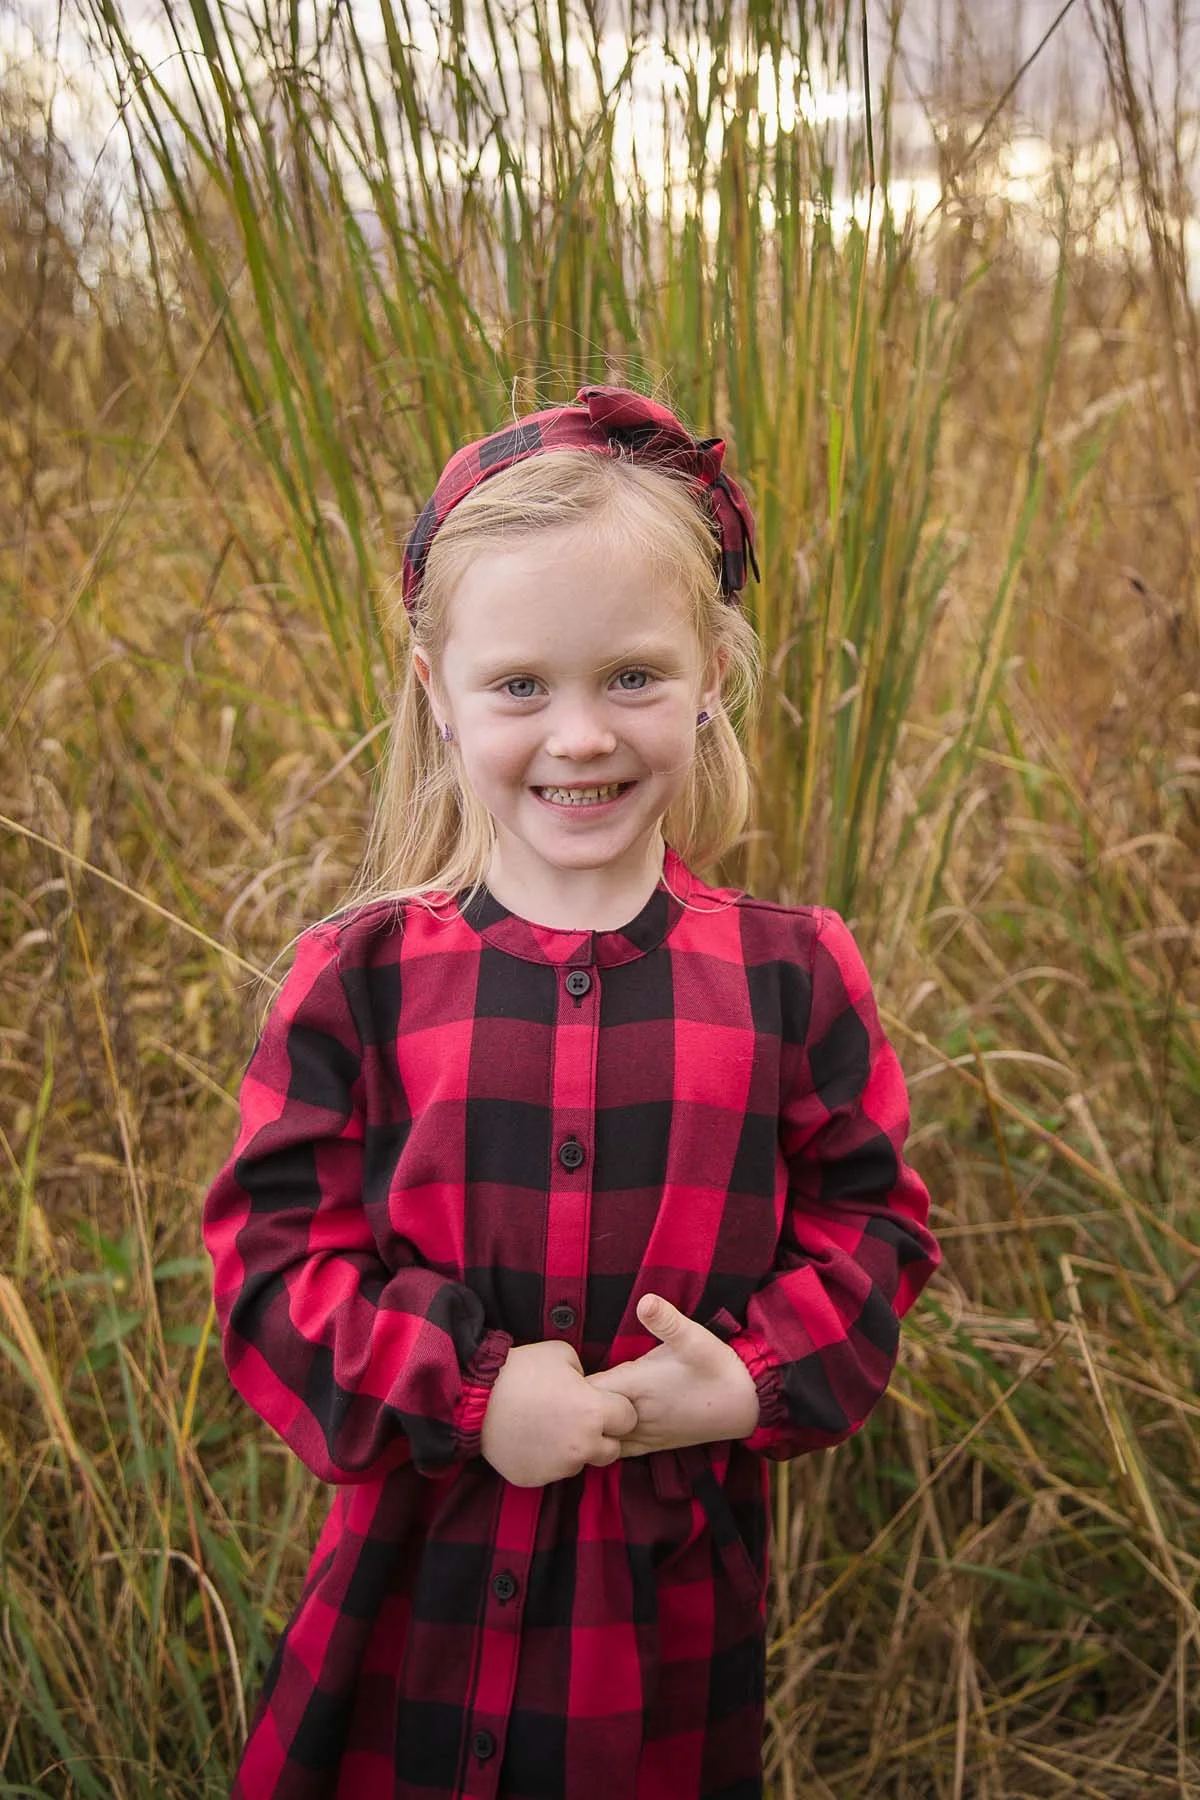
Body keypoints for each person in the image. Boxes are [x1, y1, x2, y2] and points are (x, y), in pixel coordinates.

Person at [203, 384, 941, 1800]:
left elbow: (875, 1235)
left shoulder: (795, 976)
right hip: (412, 1595)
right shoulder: (356, 977)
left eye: (634, 678)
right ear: (439, 691)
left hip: (657, 1622)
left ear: (713, 669)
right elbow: (270, 1268)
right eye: (523, 686)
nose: (582, 737)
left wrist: (748, 1378)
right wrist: (474, 1394)